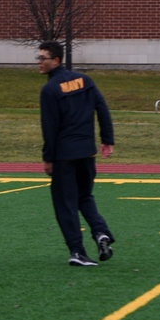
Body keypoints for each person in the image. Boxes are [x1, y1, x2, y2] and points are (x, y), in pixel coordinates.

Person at [37, 40, 116, 267]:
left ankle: (77, 252)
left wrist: (48, 158)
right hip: (87, 153)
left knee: (65, 204)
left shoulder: (49, 89)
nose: (39, 62)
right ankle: (100, 233)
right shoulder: (85, 80)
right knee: (84, 196)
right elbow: (102, 108)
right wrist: (107, 140)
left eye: (43, 58)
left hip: (64, 156)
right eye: (38, 57)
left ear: (56, 60)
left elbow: (49, 128)